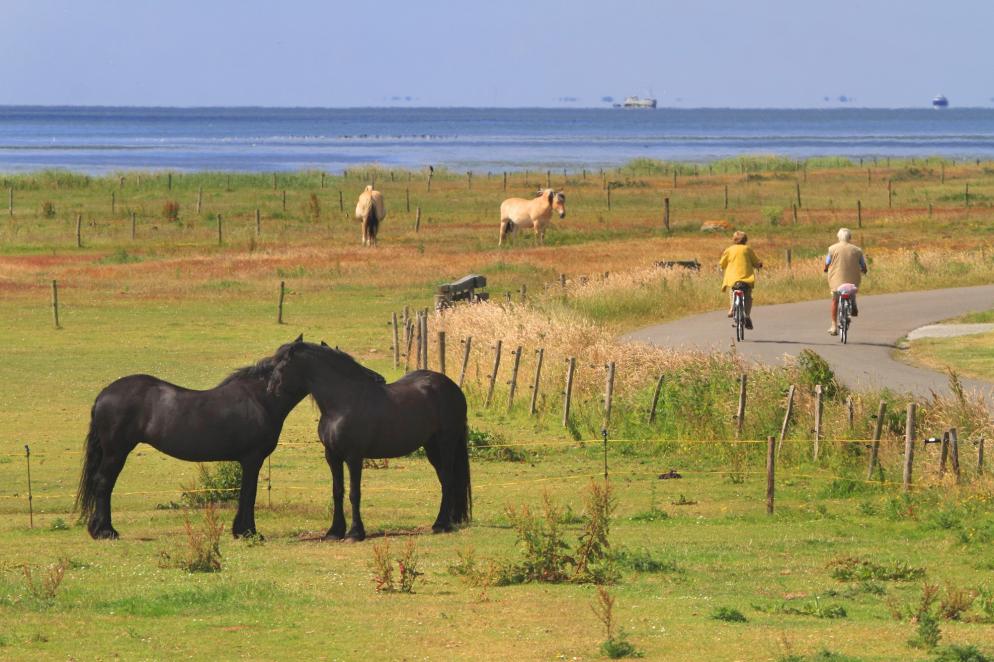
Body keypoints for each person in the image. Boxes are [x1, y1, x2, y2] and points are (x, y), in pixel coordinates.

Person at [824, 227, 867, 335]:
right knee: (851, 290)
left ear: (838, 237)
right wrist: (864, 270)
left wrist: (825, 268)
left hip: (836, 280)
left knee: (835, 300)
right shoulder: (857, 250)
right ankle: (852, 303)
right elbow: (863, 265)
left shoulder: (832, 249)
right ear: (850, 238)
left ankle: (834, 326)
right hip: (852, 280)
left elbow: (827, 262)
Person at [719, 231, 763, 330]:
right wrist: (759, 264)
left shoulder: (729, 250)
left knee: (732, 291)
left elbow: (722, 264)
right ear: (745, 240)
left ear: (734, 240)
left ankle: (731, 308)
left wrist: (723, 265)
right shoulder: (748, 249)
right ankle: (746, 315)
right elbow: (756, 263)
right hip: (745, 278)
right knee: (748, 297)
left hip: (733, 279)